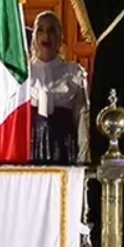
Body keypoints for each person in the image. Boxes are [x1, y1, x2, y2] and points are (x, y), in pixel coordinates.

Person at [29, 11, 90, 165]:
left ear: (59, 36)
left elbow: (82, 122)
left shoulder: (74, 73)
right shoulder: (24, 74)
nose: (46, 36)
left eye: (51, 30)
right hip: (30, 149)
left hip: (63, 147)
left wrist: (82, 163)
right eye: (40, 30)